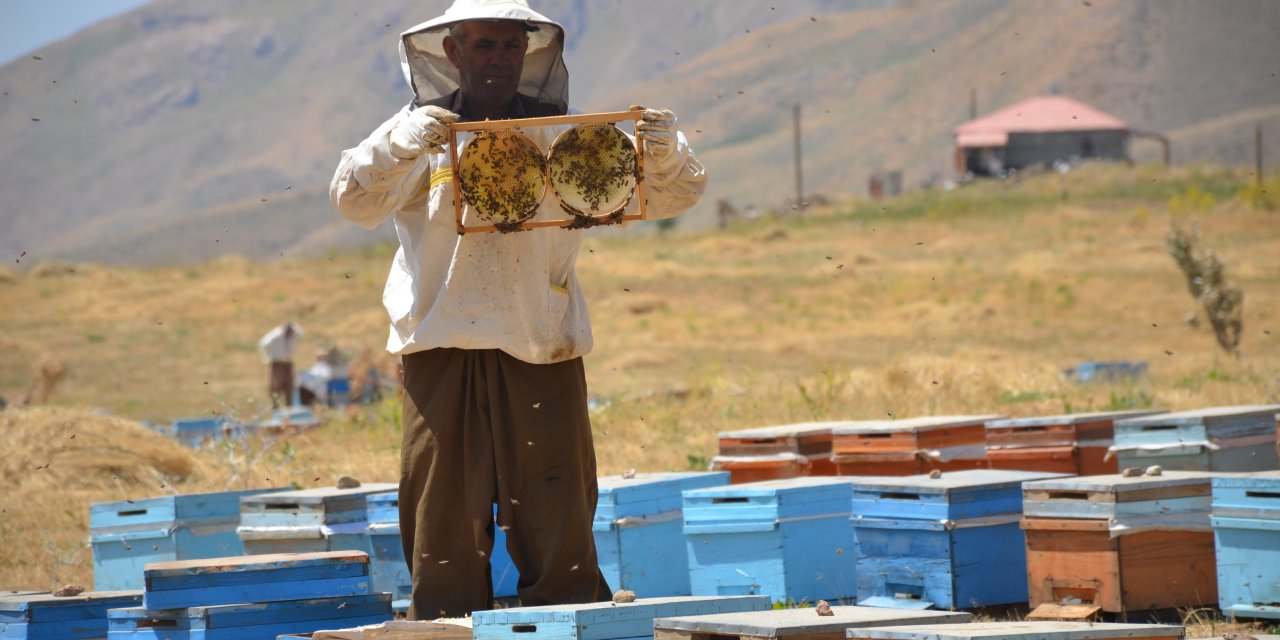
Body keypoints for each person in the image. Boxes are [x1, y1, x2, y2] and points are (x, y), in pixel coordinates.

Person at [329, 0, 707, 620]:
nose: (498, 59)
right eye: (483, 46)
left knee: (556, 512)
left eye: (510, 46)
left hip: (541, 342)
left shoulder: (563, 137)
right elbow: (351, 197)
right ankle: (444, 628)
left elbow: (674, 193)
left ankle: (568, 624)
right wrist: (400, 145)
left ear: (529, 53)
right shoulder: (419, 131)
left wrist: (665, 151)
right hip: (441, 346)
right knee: (442, 518)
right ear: (453, 52)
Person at [257, 322, 300, 408]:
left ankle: (290, 409)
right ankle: (275, 409)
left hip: (288, 364)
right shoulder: (275, 335)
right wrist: (267, 358)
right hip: (278, 364)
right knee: (276, 387)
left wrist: (295, 326)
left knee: (289, 387)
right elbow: (263, 344)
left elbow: (301, 333)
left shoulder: (293, 334)